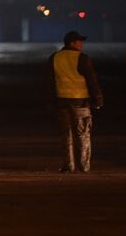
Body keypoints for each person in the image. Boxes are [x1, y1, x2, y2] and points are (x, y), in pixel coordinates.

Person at [49, 31, 103, 173]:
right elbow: (92, 80)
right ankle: (84, 166)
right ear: (72, 43)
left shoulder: (54, 58)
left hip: (61, 101)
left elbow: (49, 82)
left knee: (66, 135)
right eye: (79, 42)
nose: (81, 44)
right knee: (83, 134)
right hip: (81, 102)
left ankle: (69, 165)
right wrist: (98, 99)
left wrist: (50, 101)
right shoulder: (83, 58)